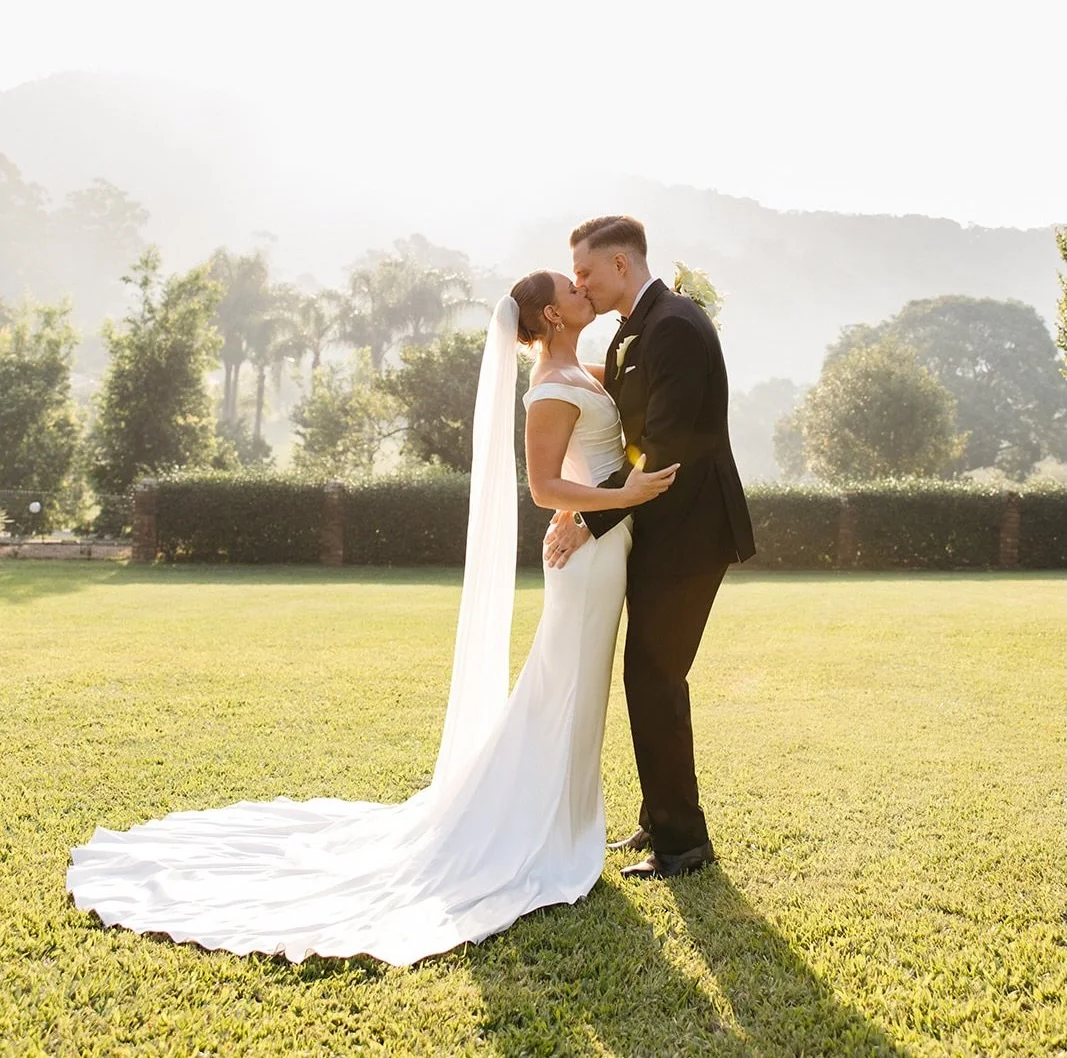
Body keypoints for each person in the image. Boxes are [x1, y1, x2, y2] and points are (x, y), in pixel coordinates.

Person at [66, 274, 675, 966]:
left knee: (572, 685)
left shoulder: (579, 370)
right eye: (571, 287)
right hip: (589, 560)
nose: (582, 289)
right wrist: (613, 497)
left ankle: (559, 820)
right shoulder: (547, 387)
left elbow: (628, 410)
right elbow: (541, 487)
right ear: (548, 312)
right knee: (565, 684)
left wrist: (593, 497)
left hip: (597, 543)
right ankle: (540, 828)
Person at [543, 215, 755, 879]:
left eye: (583, 272)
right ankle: (657, 820)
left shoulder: (673, 328)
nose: (579, 284)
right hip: (659, 531)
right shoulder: (635, 329)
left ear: (620, 267)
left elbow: (659, 452)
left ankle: (683, 846)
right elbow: (626, 428)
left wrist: (583, 516)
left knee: (653, 678)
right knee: (649, 677)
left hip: (690, 534)